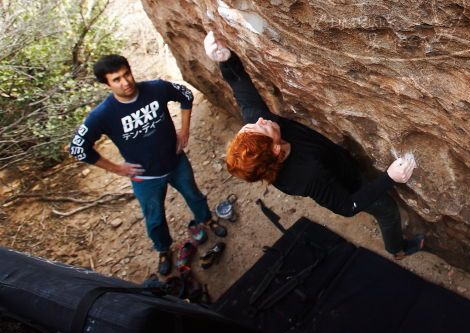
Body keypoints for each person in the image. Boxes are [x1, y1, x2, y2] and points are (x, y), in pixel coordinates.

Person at [204, 32, 424, 259]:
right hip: (349, 183)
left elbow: (242, 90)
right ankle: (397, 249)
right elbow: (347, 206)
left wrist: (225, 59)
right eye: (262, 127)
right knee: (386, 210)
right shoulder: (307, 176)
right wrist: (390, 178)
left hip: (334, 159)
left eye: (252, 126)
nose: (260, 120)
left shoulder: (261, 130)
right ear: (276, 150)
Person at [68, 54, 225, 275]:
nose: (125, 82)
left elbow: (186, 95)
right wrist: (117, 168)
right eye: (116, 79)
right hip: (146, 178)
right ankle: (163, 250)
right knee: (155, 218)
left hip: (176, 161)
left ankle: (206, 220)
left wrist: (185, 130)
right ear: (107, 83)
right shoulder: (102, 115)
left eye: (126, 74)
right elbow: (77, 148)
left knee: (194, 195)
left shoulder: (156, 88)